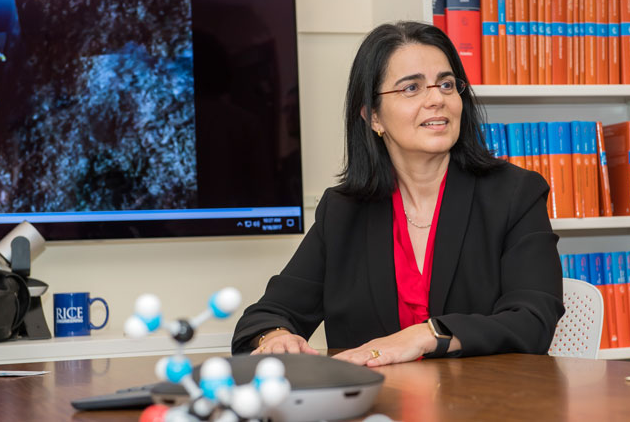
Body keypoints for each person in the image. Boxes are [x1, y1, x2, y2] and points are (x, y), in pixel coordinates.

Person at [231, 21, 563, 367]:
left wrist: (427, 335)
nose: (437, 99)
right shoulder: (343, 211)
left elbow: (533, 319)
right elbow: (267, 315)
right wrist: (277, 337)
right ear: (373, 116)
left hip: (482, 397)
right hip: (376, 397)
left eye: (446, 84)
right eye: (411, 88)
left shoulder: (514, 194)